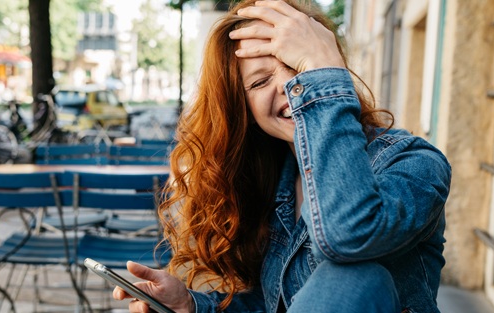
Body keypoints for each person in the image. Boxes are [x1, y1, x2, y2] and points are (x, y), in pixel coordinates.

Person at [113, 0, 451, 312]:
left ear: (330, 69)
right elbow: (279, 302)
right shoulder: (277, 178)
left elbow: (347, 238)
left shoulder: (413, 162)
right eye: (260, 83)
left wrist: (322, 78)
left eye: (299, 66)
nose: (291, 87)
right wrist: (193, 305)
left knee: (354, 277)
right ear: (244, 109)